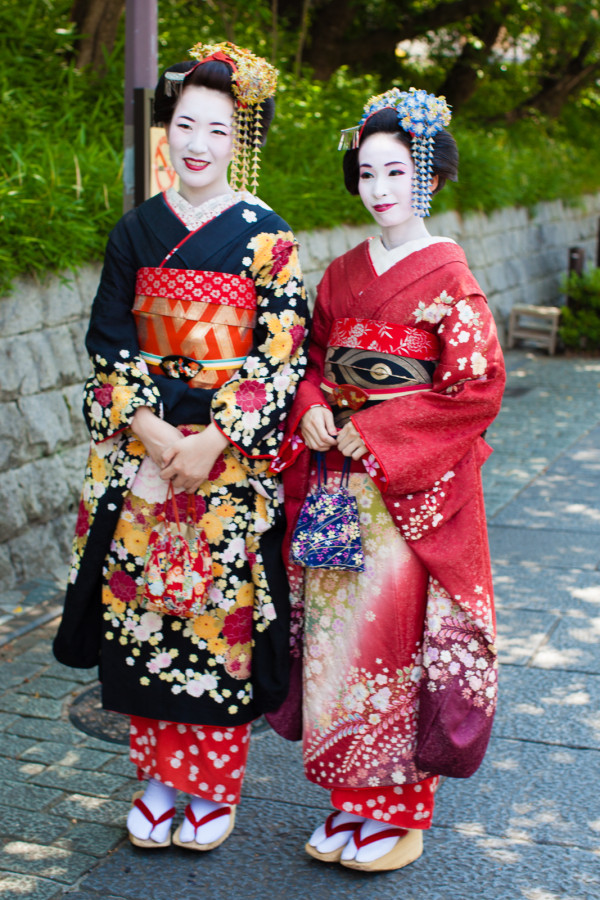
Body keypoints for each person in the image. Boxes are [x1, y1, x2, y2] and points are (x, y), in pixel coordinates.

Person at [53, 41, 309, 851]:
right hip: (146, 455)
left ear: (242, 141)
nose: (197, 142)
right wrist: (156, 433)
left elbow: (281, 351)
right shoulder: (137, 231)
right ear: (166, 130)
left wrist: (219, 438)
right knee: (142, 616)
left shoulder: (269, 239)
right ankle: (157, 780)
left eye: (218, 129)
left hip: (225, 465)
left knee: (217, 619)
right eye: (185, 123)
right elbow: (108, 343)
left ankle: (212, 788)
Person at [271, 87, 505, 872]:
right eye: (367, 173)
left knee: (393, 645)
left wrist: (373, 429)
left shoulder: (450, 276)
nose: (378, 189)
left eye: (395, 172)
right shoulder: (340, 274)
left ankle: (398, 811)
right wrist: (308, 404)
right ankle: (348, 801)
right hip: (340, 480)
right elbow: (310, 361)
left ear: (429, 178)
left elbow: (474, 387)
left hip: (406, 487)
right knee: (338, 639)